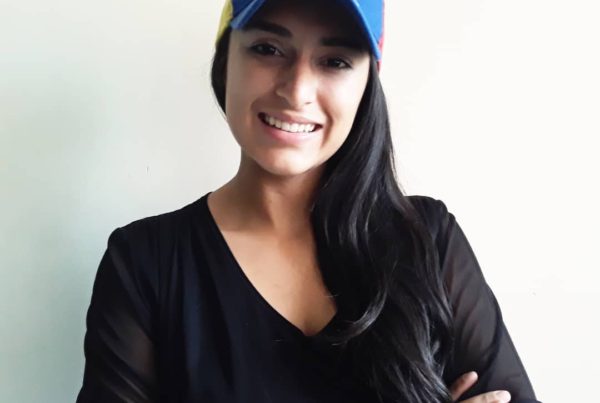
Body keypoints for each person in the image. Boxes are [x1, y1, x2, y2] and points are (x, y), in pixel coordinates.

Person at [75, 0, 541, 402]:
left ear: (367, 82)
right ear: (226, 58)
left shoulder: (428, 240)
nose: (297, 91)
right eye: (268, 49)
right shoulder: (146, 262)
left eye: (335, 61)